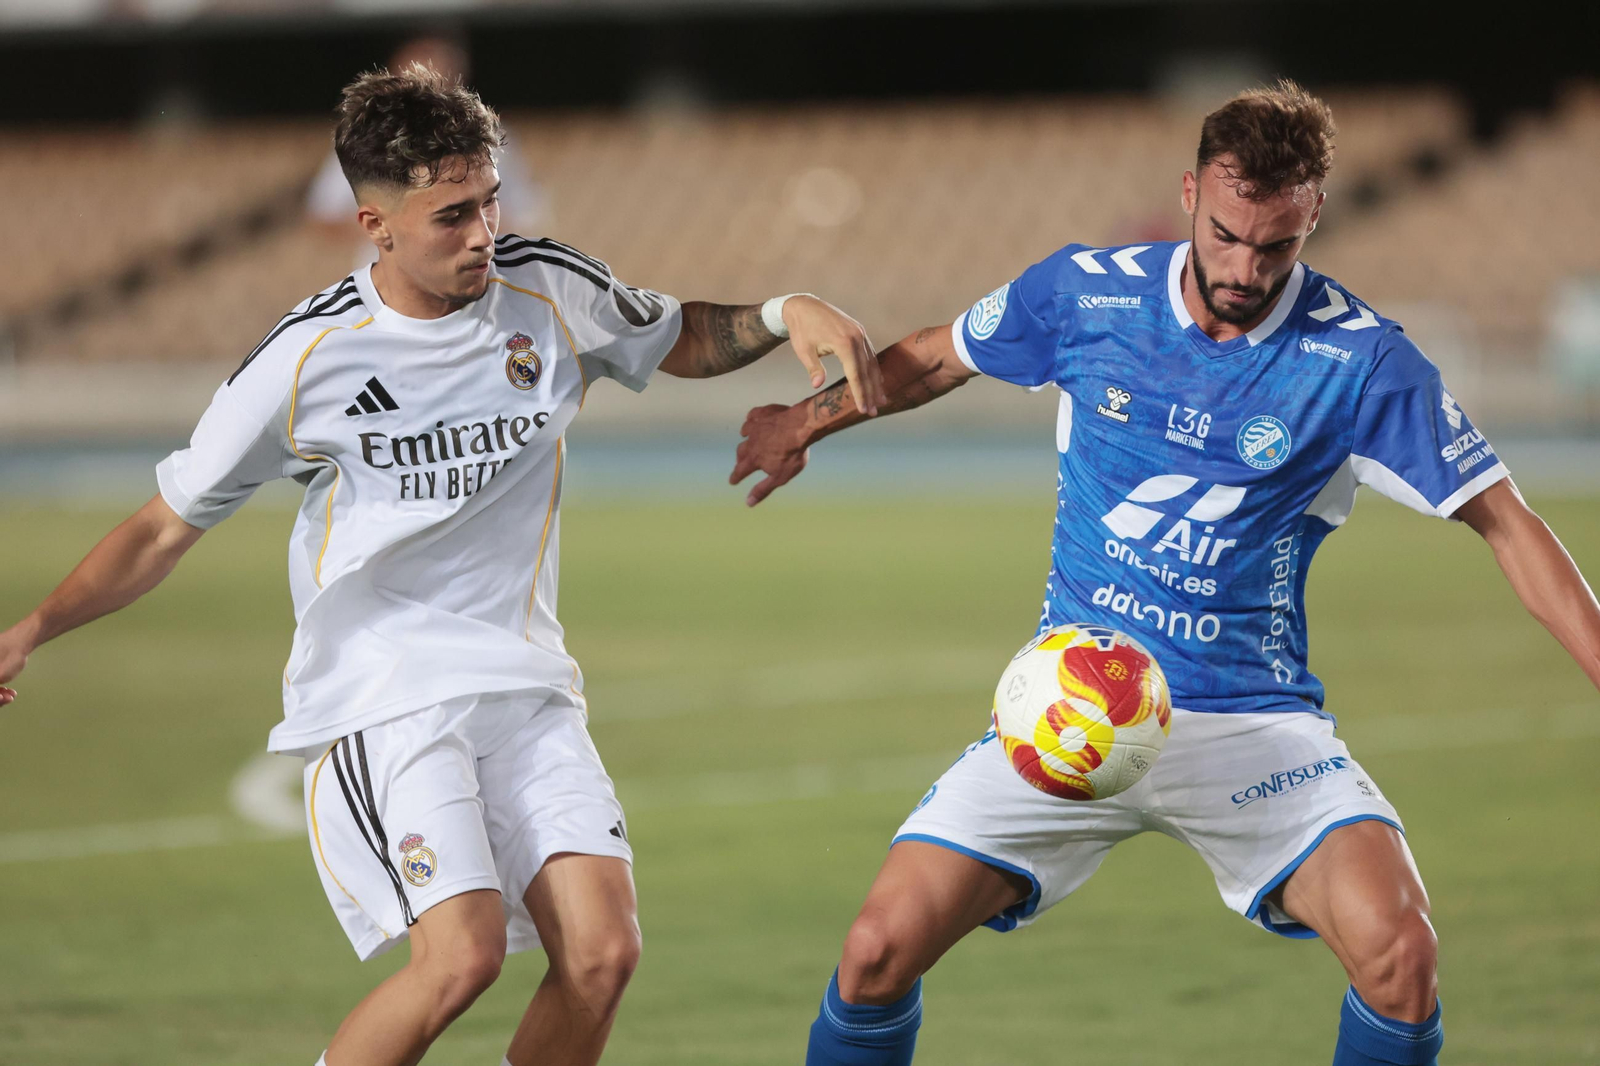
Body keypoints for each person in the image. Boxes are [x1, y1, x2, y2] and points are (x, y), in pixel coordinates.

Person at [0, 65, 883, 1066]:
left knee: (602, 954)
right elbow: (163, 527)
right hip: (387, 692)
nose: (483, 231)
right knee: (458, 960)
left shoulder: (544, 285)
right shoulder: (307, 359)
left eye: (490, 200)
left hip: (523, 683)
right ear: (374, 225)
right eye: (451, 214)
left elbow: (672, 333)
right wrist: (31, 628)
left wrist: (780, 312)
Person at [730, 80, 1600, 1066]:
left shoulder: (1361, 362)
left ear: (1313, 211)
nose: (1245, 266)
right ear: (1191, 192)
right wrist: (806, 420)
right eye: (1226, 234)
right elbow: (937, 356)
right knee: (874, 950)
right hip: (1070, 702)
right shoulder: (1087, 294)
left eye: (1276, 245)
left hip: (1249, 720)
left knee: (1400, 956)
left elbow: (1509, 526)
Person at [306, 34, 545, 262]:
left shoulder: (492, 136)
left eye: (443, 74)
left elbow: (524, 214)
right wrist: (404, 227)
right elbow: (325, 215)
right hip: (390, 290)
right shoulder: (367, 137)